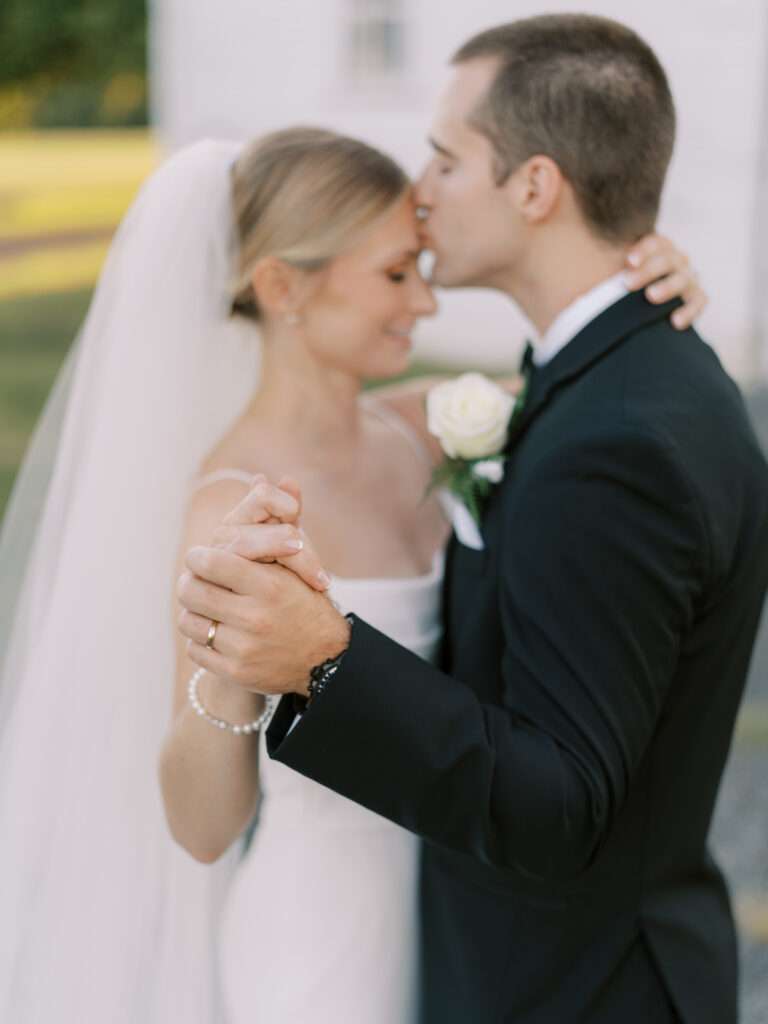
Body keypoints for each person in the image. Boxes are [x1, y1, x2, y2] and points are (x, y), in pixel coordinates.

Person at [0, 120, 698, 1024]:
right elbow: (203, 829)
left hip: (471, 914)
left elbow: (599, 385)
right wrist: (233, 662)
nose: (426, 303)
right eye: (395, 275)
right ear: (284, 286)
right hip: (324, 941)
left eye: (420, 265)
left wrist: (654, 289)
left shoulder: (430, 427)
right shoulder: (230, 509)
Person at [177, 15, 768, 1024]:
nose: (423, 188)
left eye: (447, 157)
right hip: (381, 945)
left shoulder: (610, 435)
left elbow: (560, 798)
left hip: (567, 985)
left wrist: (327, 657)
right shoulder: (590, 386)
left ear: (535, 187)